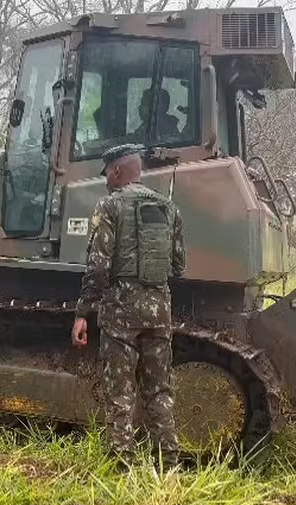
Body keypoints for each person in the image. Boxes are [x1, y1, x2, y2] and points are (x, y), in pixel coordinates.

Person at [71, 143, 186, 471]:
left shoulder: (109, 207)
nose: (106, 177)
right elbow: (178, 266)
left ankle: (123, 469)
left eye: (108, 171)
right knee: (159, 392)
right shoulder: (169, 208)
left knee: (120, 393)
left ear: (118, 170)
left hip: (120, 314)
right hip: (159, 312)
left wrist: (82, 313)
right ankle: (170, 467)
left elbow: (97, 266)